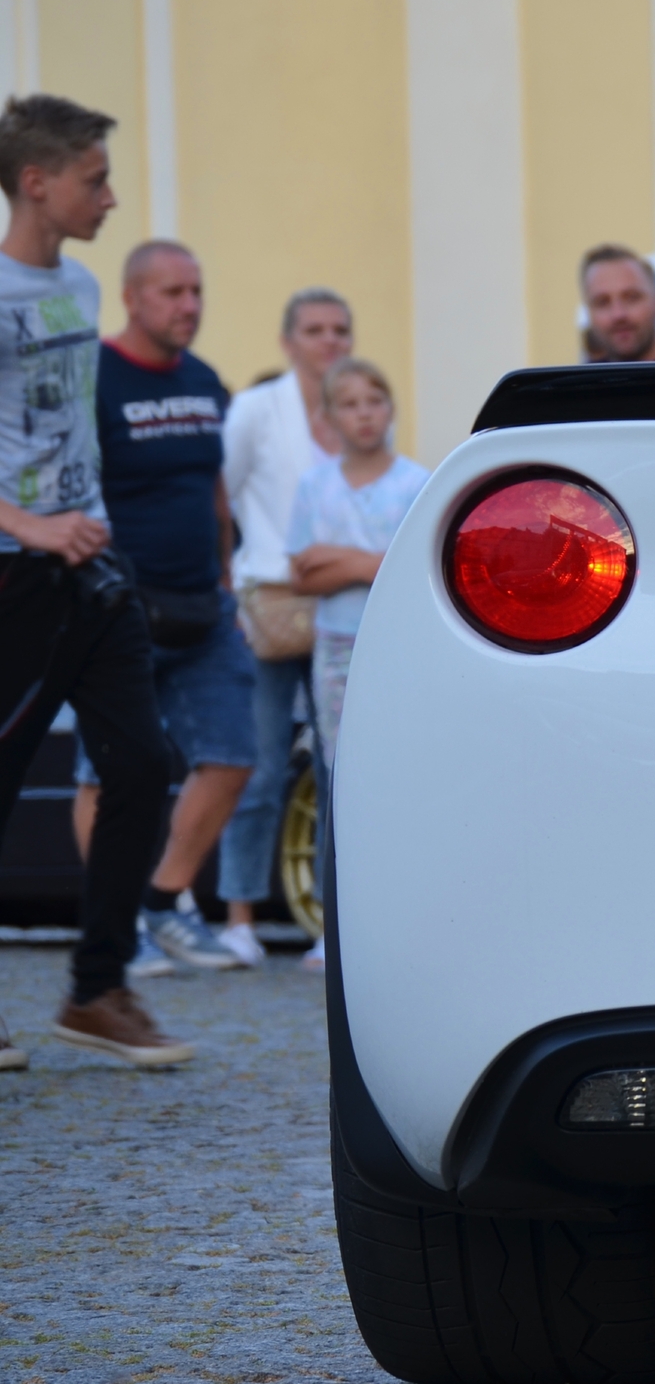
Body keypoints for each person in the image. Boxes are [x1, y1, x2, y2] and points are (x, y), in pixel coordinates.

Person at [0, 93, 191, 1068]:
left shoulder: (77, 287)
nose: (110, 197)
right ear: (37, 182)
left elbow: (70, 427)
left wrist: (92, 521)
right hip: (14, 580)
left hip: (93, 571)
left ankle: (98, 986)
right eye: (95, 178)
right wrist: (28, 523)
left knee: (145, 763)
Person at [66, 239, 254, 973]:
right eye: (173, 292)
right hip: (118, 606)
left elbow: (214, 491)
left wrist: (228, 577)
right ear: (133, 298)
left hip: (204, 607)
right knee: (103, 772)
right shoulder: (97, 377)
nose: (189, 306)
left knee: (235, 756)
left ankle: (160, 899)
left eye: (197, 291)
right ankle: (121, 927)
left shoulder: (206, 381)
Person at [218, 288, 347, 961]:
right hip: (267, 602)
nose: (329, 341)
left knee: (336, 769)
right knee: (259, 764)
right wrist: (226, 578)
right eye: (315, 330)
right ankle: (238, 916)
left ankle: (333, 925)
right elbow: (220, 489)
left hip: (341, 607)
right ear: (288, 341)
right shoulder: (256, 410)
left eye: (339, 330)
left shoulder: (357, 404)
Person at [285, 357, 426, 966]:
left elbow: (410, 567)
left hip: (396, 645)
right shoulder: (314, 488)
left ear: (390, 409)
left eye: (374, 400)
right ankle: (334, 925)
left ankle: (403, 917)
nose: (364, 413)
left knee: (398, 776)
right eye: (350, 403)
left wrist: (340, 560)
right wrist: (372, 561)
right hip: (337, 649)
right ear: (328, 417)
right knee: (339, 781)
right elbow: (301, 572)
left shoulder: (416, 483)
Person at [580, 245, 655, 362]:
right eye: (603, 302)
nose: (618, 314)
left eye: (632, 298)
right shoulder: (584, 378)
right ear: (588, 312)